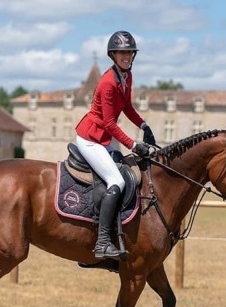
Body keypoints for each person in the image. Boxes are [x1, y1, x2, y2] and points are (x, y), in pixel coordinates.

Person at [75, 30, 157, 261]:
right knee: (117, 180)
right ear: (113, 55)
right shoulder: (108, 82)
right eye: (122, 52)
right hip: (91, 139)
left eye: (130, 52)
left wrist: (144, 125)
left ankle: (118, 233)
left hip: (105, 139)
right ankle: (102, 243)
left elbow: (127, 107)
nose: (127, 56)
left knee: (127, 173)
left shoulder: (127, 77)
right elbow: (110, 122)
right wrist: (133, 144)